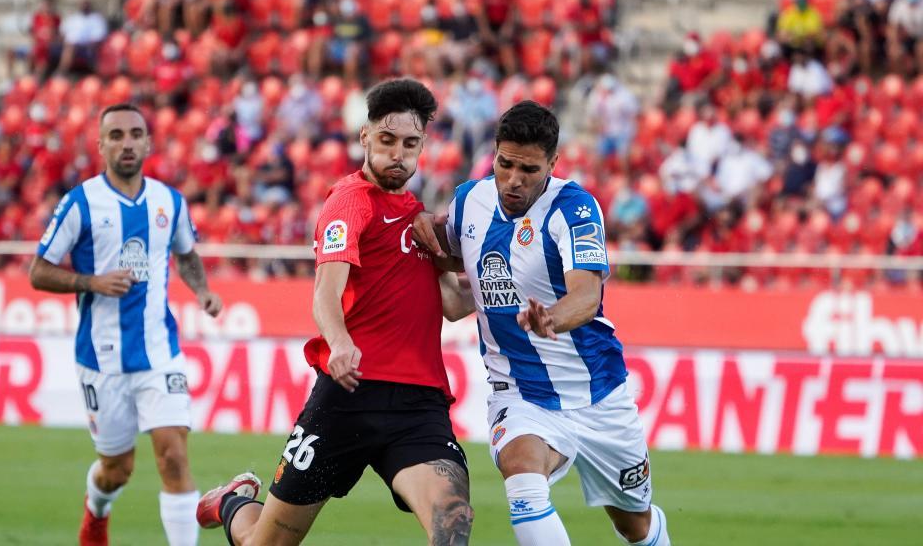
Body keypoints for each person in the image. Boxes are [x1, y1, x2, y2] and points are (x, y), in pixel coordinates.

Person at [196, 78, 475, 546]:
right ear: (365, 137)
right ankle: (233, 501)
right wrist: (342, 343)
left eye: (410, 143)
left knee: (453, 519)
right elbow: (326, 292)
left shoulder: (417, 215)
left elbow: (451, 304)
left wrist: (504, 280)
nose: (398, 154)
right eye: (387, 140)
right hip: (348, 396)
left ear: (423, 144)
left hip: (417, 404)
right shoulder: (349, 203)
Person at [414, 101, 671, 546]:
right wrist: (425, 254)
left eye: (528, 170)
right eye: (505, 164)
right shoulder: (468, 203)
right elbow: (457, 304)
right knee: (521, 470)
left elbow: (587, 296)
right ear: (493, 154)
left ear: (552, 163)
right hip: (518, 392)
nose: (513, 180)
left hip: (597, 394)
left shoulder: (574, 208)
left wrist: (549, 318)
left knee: (636, 526)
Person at [29, 103, 223, 546]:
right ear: (100, 146)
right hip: (101, 359)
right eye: (116, 135)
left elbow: (187, 254)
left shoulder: (168, 201)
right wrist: (90, 281)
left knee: (173, 456)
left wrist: (203, 291)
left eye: (135, 133)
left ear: (149, 142)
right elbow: (38, 271)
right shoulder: (79, 203)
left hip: (159, 352)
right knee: (117, 470)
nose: (127, 142)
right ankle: (96, 509)